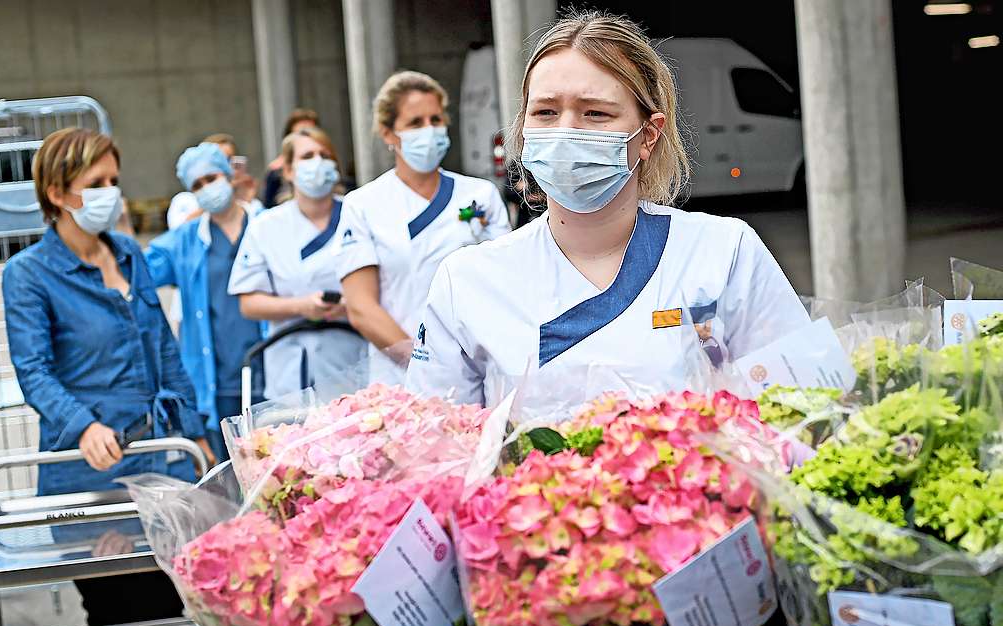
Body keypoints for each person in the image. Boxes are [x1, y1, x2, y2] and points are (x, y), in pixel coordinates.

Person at [405, 11, 810, 415]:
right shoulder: (467, 280)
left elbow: (805, 406)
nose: (566, 131)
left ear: (648, 134)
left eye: (594, 113)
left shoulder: (724, 252)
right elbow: (433, 442)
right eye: (545, 112)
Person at [2, 127, 211, 626]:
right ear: (56, 193)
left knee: (180, 613)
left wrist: (196, 433)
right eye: (97, 182)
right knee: (120, 617)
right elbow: (34, 372)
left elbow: (164, 348)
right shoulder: (28, 274)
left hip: (162, 461)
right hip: (92, 472)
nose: (111, 193)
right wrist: (84, 426)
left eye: (114, 179)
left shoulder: (127, 253)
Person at [336, 71, 511, 387]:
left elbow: (503, 283)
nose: (429, 131)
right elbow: (361, 307)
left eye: (436, 119)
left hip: (480, 366)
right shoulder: (362, 205)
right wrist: (423, 364)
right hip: (399, 377)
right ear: (389, 134)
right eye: (415, 123)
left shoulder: (480, 195)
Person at [145, 142, 265, 460]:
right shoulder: (185, 241)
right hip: (218, 380)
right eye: (196, 185)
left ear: (228, 175)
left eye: (211, 178)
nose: (206, 188)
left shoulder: (268, 224)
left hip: (272, 372)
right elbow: (135, 268)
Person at [229, 127, 367, 400]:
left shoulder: (360, 213)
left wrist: (349, 307)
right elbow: (249, 303)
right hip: (288, 369)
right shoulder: (266, 226)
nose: (317, 162)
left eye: (324, 155)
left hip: (352, 360)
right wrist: (302, 306)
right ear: (289, 170)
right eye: (307, 156)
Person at [263, 108, 320, 208]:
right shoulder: (276, 172)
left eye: (311, 133)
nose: (306, 140)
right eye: (300, 134)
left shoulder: (328, 166)